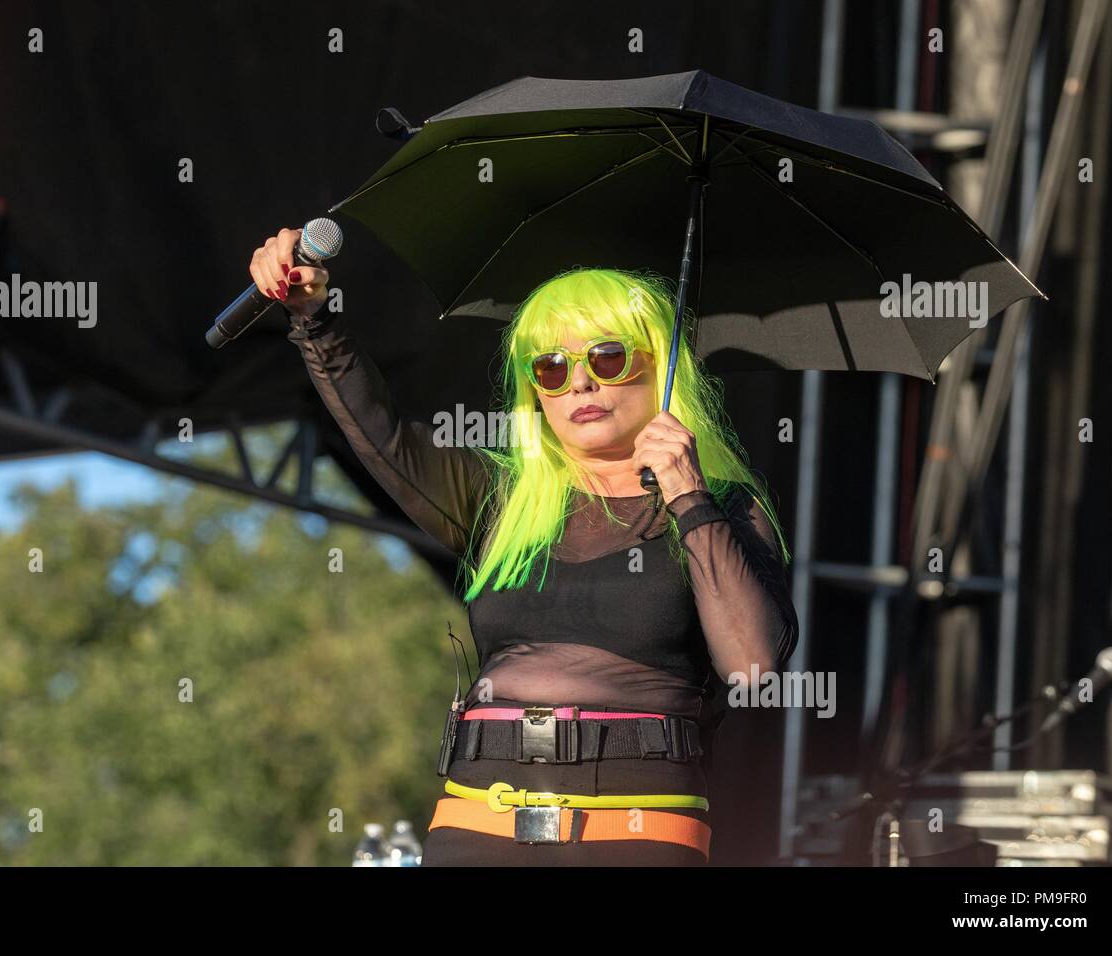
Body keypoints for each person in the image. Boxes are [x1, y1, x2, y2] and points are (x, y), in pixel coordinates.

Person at [250, 227, 799, 866]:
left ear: (659, 364)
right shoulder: (503, 497)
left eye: (607, 357)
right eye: (553, 369)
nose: (581, 386)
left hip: (639, 835)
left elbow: (753, 667)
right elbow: (384, 439)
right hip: (478, 824)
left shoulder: (725, 507)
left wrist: (688, 495)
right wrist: (313, 318)